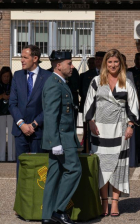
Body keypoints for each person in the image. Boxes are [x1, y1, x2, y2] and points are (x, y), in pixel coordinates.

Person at [84, 49, 139, 217]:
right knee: (101, 166)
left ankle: (115, 202)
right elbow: (88, 104)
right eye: (110, 62)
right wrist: (91, 122)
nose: (113, 65)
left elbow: (134, 105)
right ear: (104, 64)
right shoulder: (96, 81)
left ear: (120, 64)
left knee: (118, 166)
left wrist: (130, 126)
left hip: (120, 129)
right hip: (100, 130)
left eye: (116, 62)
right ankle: (104, 202)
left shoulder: (126, 82)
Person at [41, 50, 82, 224]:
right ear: (58, 65)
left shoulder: (60, 82)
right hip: (62, 139)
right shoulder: (54, 84)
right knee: (74, 170)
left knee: (54, 175)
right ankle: (58, 210)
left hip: (63, 137)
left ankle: (47, 215)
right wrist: (55, 143)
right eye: (69, 63)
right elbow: (51, 116)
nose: (72, 66)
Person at [9, 45, 52, 181]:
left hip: (39, 131)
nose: (21, 60)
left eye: (24, 57)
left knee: (39, 169)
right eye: (21, 56)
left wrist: (34, 124)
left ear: (35, 58)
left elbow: (49, 106)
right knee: (22, 169)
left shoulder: (47, 77)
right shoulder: (17, 75)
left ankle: (39, 200)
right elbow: (12, 103)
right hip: (20, 131)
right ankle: (21, 200)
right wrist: (21, 124)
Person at [79, 51, 105, 153]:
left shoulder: (109, 74)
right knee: (89, 132)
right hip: (91, 108)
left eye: (100, 59)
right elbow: (84, 92)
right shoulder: (86, 75)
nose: (98, 61)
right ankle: (89, 150)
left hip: (104, 108)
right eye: (97, 59)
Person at [0, 67, 15, 161]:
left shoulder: (13, 85)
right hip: (0, 112)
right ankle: (1, 157)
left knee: (11, 135)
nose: (6, 78)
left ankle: (11, 157)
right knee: (1, 135)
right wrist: (2, 96)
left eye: (8, 76)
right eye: (4, 76)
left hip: (10, 112)